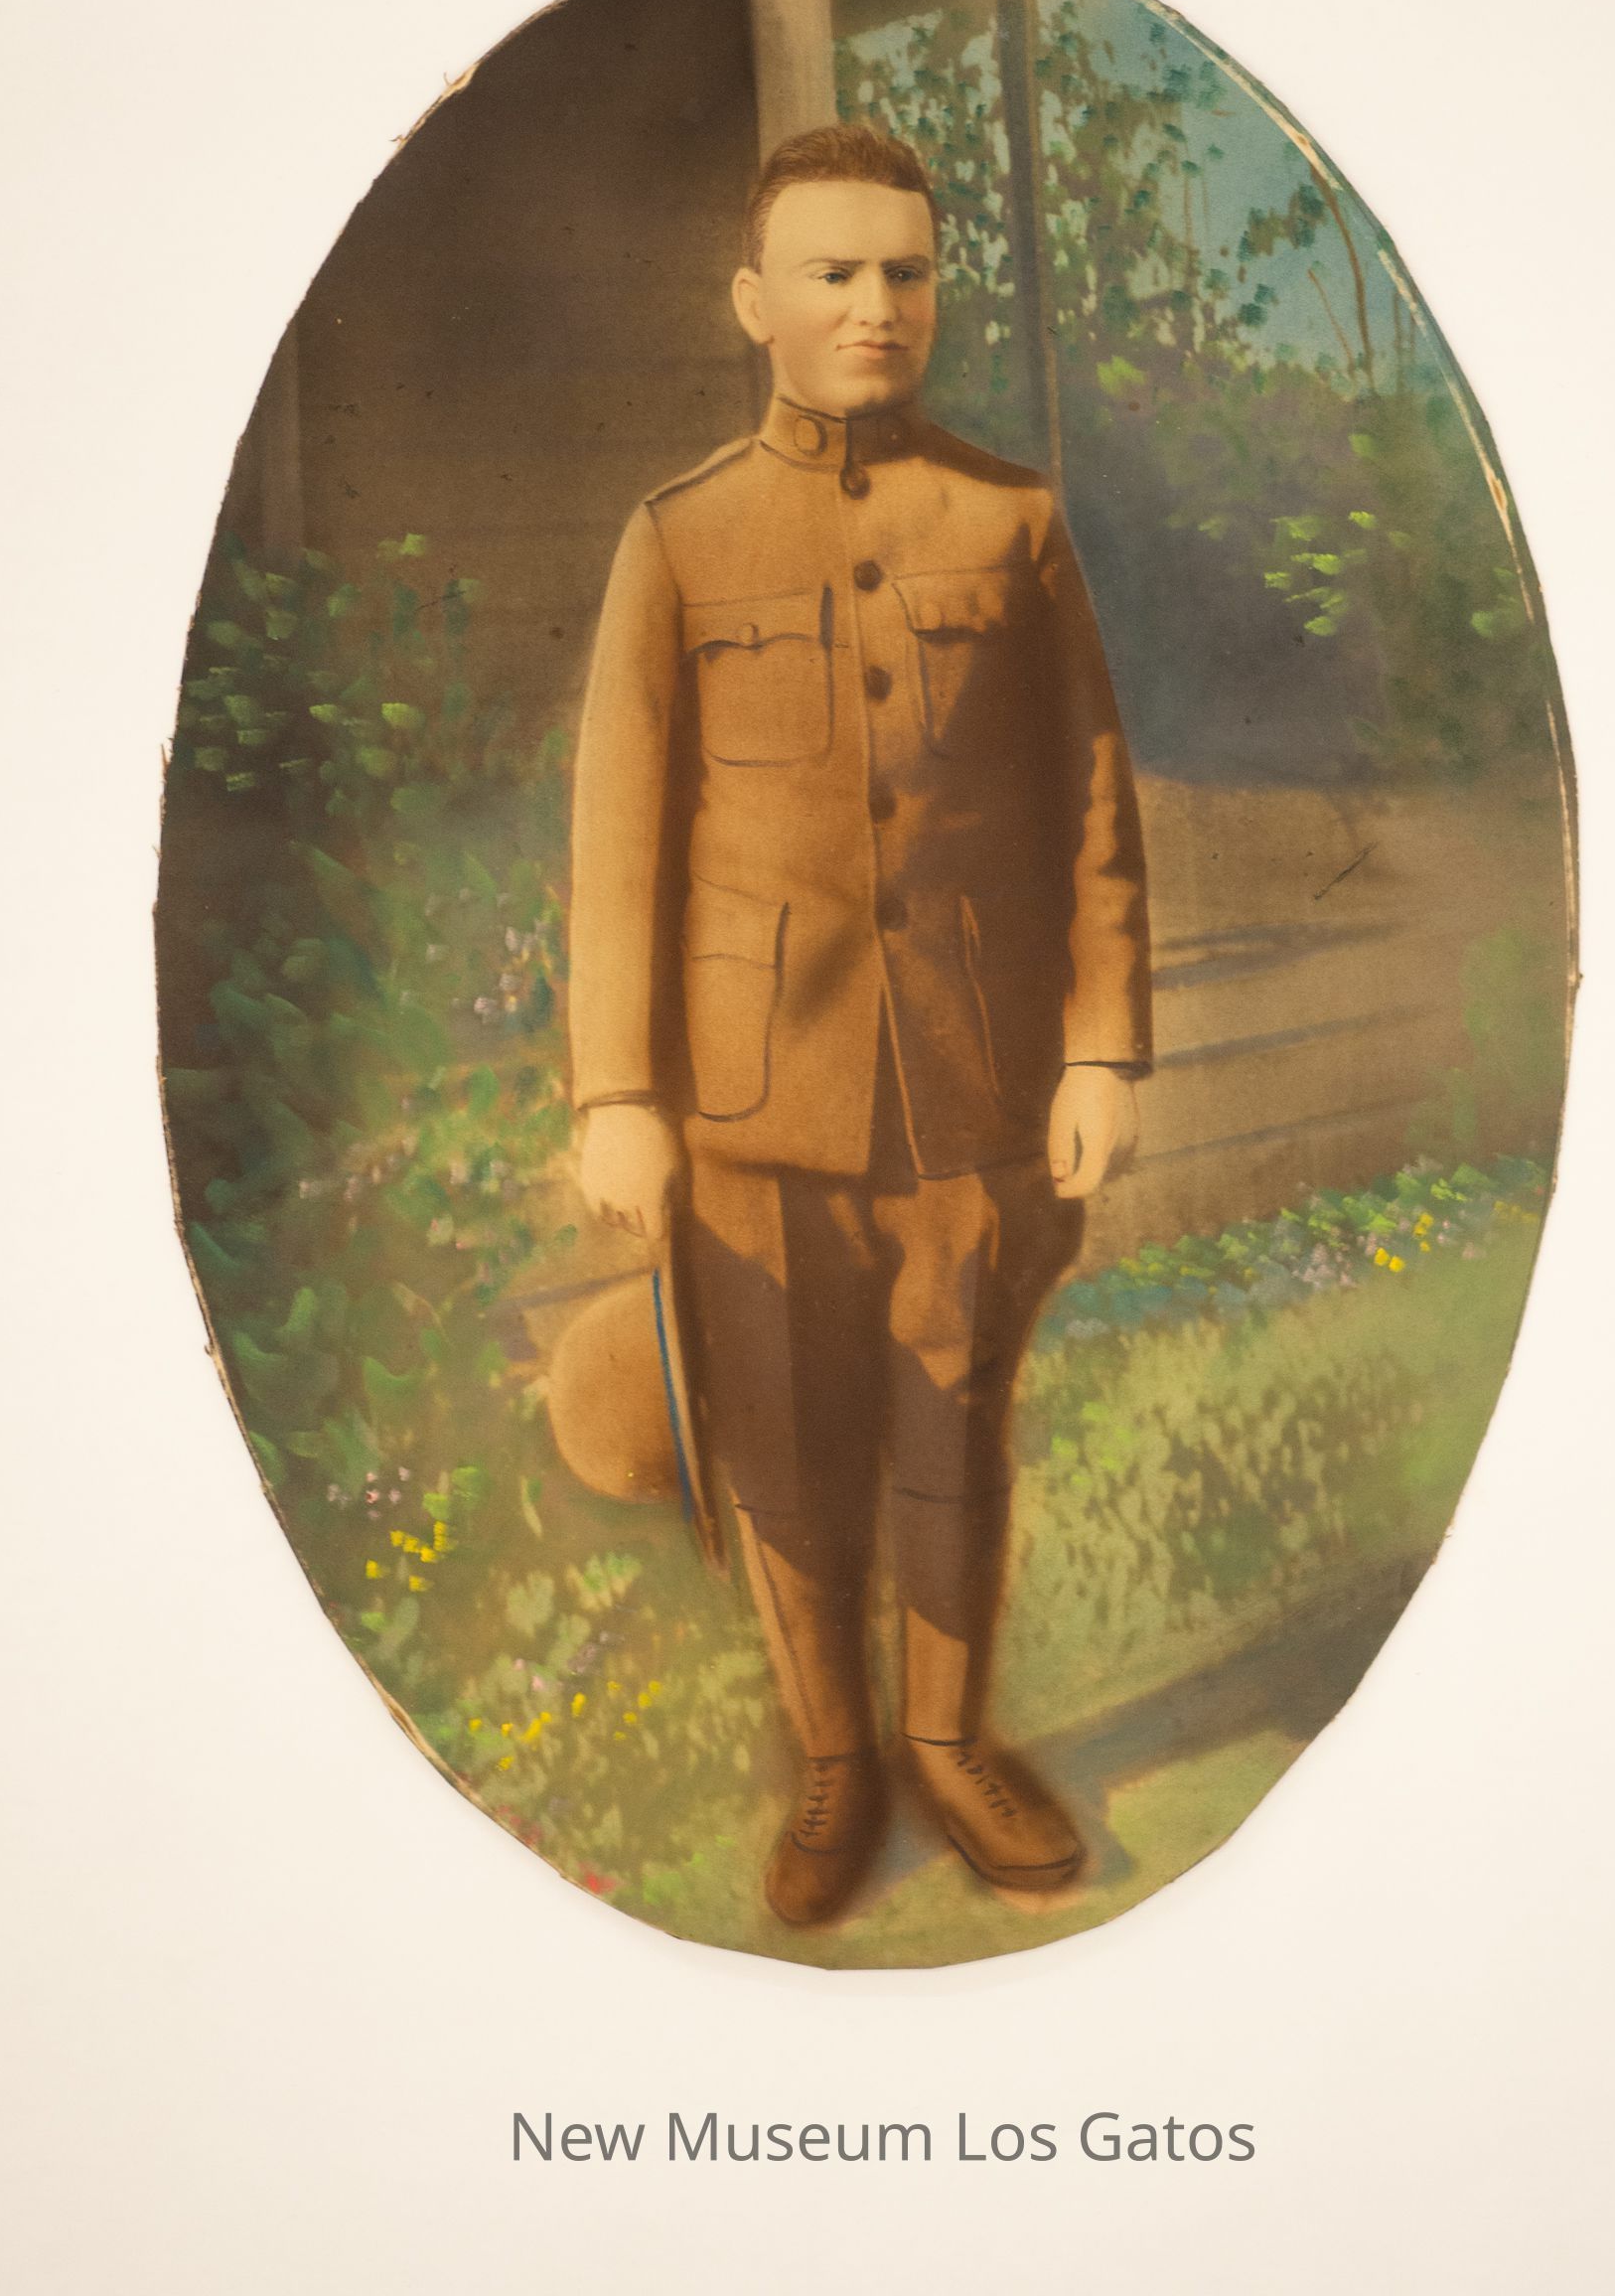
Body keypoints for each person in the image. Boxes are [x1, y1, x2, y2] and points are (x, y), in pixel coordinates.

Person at [567, 120, 1151, 1926]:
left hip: (970, 1081)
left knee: (952, 1420)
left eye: (904, 271)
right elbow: (619, 840)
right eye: (832, 272)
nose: (873, 304)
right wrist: (616, 1092)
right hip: (752, 1098)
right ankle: (836, 1763)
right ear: (756, 302)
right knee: (780, 1439)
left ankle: (952, 1744)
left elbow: (1090, 798)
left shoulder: (1010, 521)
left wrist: (1101, 1045)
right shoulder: (680, 539)